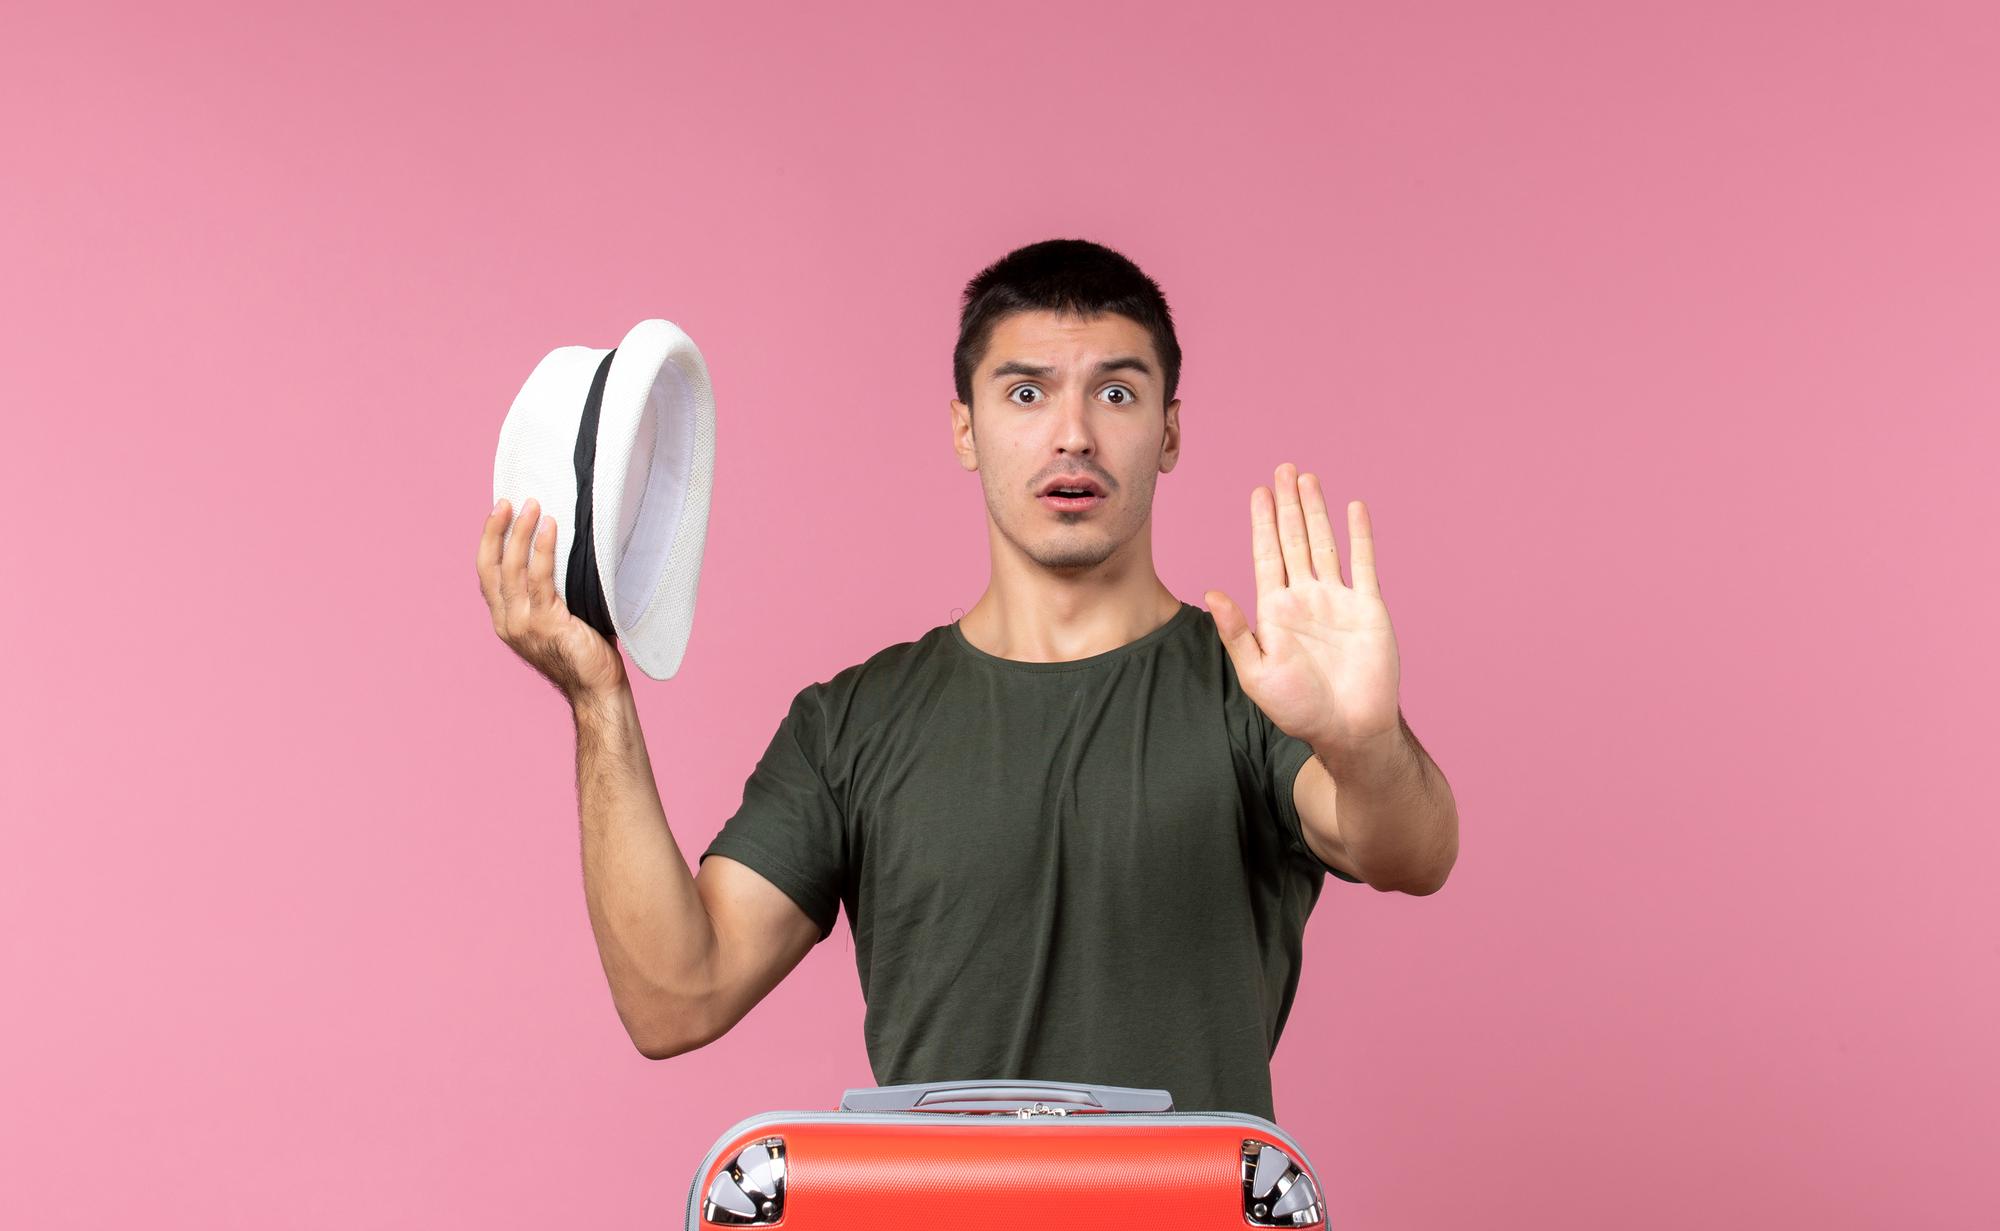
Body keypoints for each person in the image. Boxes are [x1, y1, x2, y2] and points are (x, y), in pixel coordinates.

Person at [475, 239, 1459, 1119]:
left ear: (1166, 430)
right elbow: (674, 997)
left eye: (1115, 393)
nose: (1071, 432)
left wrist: (1362, 739)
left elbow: (1408, 851)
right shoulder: (850, 723)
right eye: (1025, 393)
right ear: (964, 428)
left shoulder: (1254, 685)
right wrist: (597, 703)